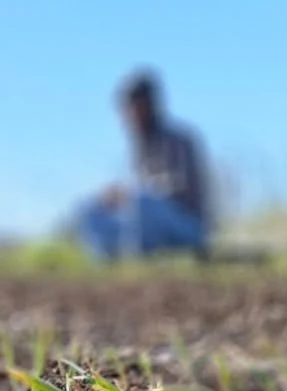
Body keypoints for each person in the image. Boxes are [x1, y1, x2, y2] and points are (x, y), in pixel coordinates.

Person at [75, 72, 211, 259]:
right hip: (144, 222)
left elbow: (178, 187)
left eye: (134, 106)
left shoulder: (179, 140)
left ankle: (139, 258)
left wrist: (128, 193)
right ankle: (107, 261)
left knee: (140, 200)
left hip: (186, 226)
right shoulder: (138, 146)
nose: (129, 115)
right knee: (88, 206)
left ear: (149, 105)